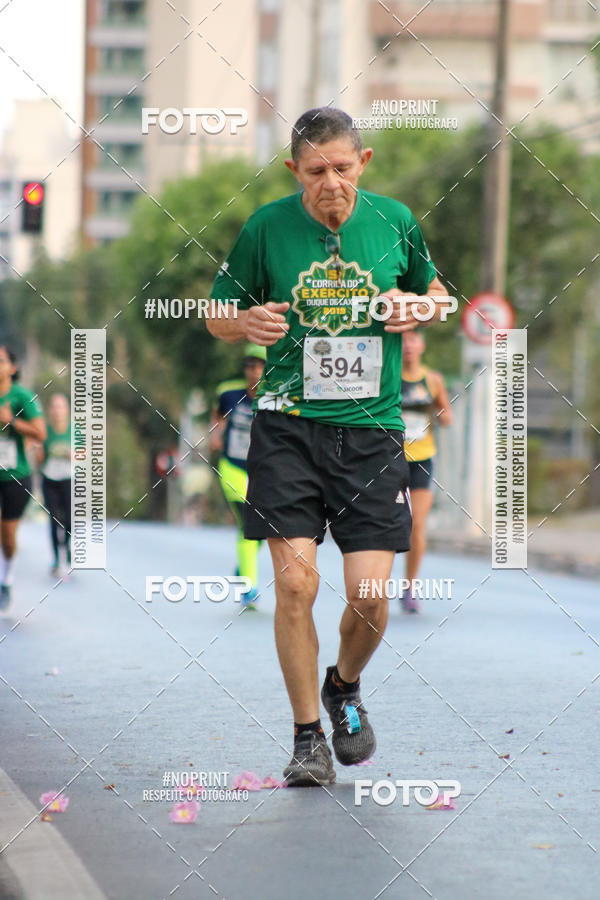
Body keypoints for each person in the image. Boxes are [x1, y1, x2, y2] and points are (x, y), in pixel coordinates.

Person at [207, 107, 448, 786]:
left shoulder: (395, 221)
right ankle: (307, 735)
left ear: (363, 163)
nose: (332, 182)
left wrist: (420, 308)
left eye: (343, 167)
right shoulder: (266, 228)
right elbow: (215, 309)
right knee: (294, 584)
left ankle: (343, 684)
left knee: (370, 595)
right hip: (286, 426)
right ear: (295, 171)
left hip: (371, 434)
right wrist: (241, 322)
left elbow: (437, 292)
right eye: (316, 171)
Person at [209, 344, 266, 609]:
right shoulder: (228, 392)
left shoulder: (274, 397)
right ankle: (249, 588)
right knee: (248, 521)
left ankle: (244, 566)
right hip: (232, 466)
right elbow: (217, 417)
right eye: (249, 365)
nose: (253, 371)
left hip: (262, 471)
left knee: (265, 529)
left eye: (259, 365)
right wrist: (215, 434)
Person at [400, 330, 453, 613]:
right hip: (389, 459)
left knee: (417, 525)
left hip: (421, 458)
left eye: (413, 340)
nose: (408, 346)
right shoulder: (388, 375)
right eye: (403, 340)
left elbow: (447, 417)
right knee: (388, 523)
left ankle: (409, 587)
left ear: (422, 345)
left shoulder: (432, 380)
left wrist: (436, 409)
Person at [0, 344, 46, 611]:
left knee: (7, 537)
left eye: (1, 361)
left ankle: (6, 580)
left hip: (15, 476)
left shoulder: (21, 397)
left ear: (12, 368)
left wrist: (12, 422)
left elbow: (40, 433)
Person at [38, 393, 72, 577]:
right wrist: (38, 453)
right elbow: (39, 460)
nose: (58, 411)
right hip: (50, 479)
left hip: (68, 479)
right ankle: (56, 559)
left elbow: (84, 453)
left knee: (69, 520)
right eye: (54, 407)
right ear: (50, 411)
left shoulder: (74, 430)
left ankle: (66, 546)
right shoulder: (45, 431)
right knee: (53, 519)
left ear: (66, 410)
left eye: (61, 407)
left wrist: (75, 455)